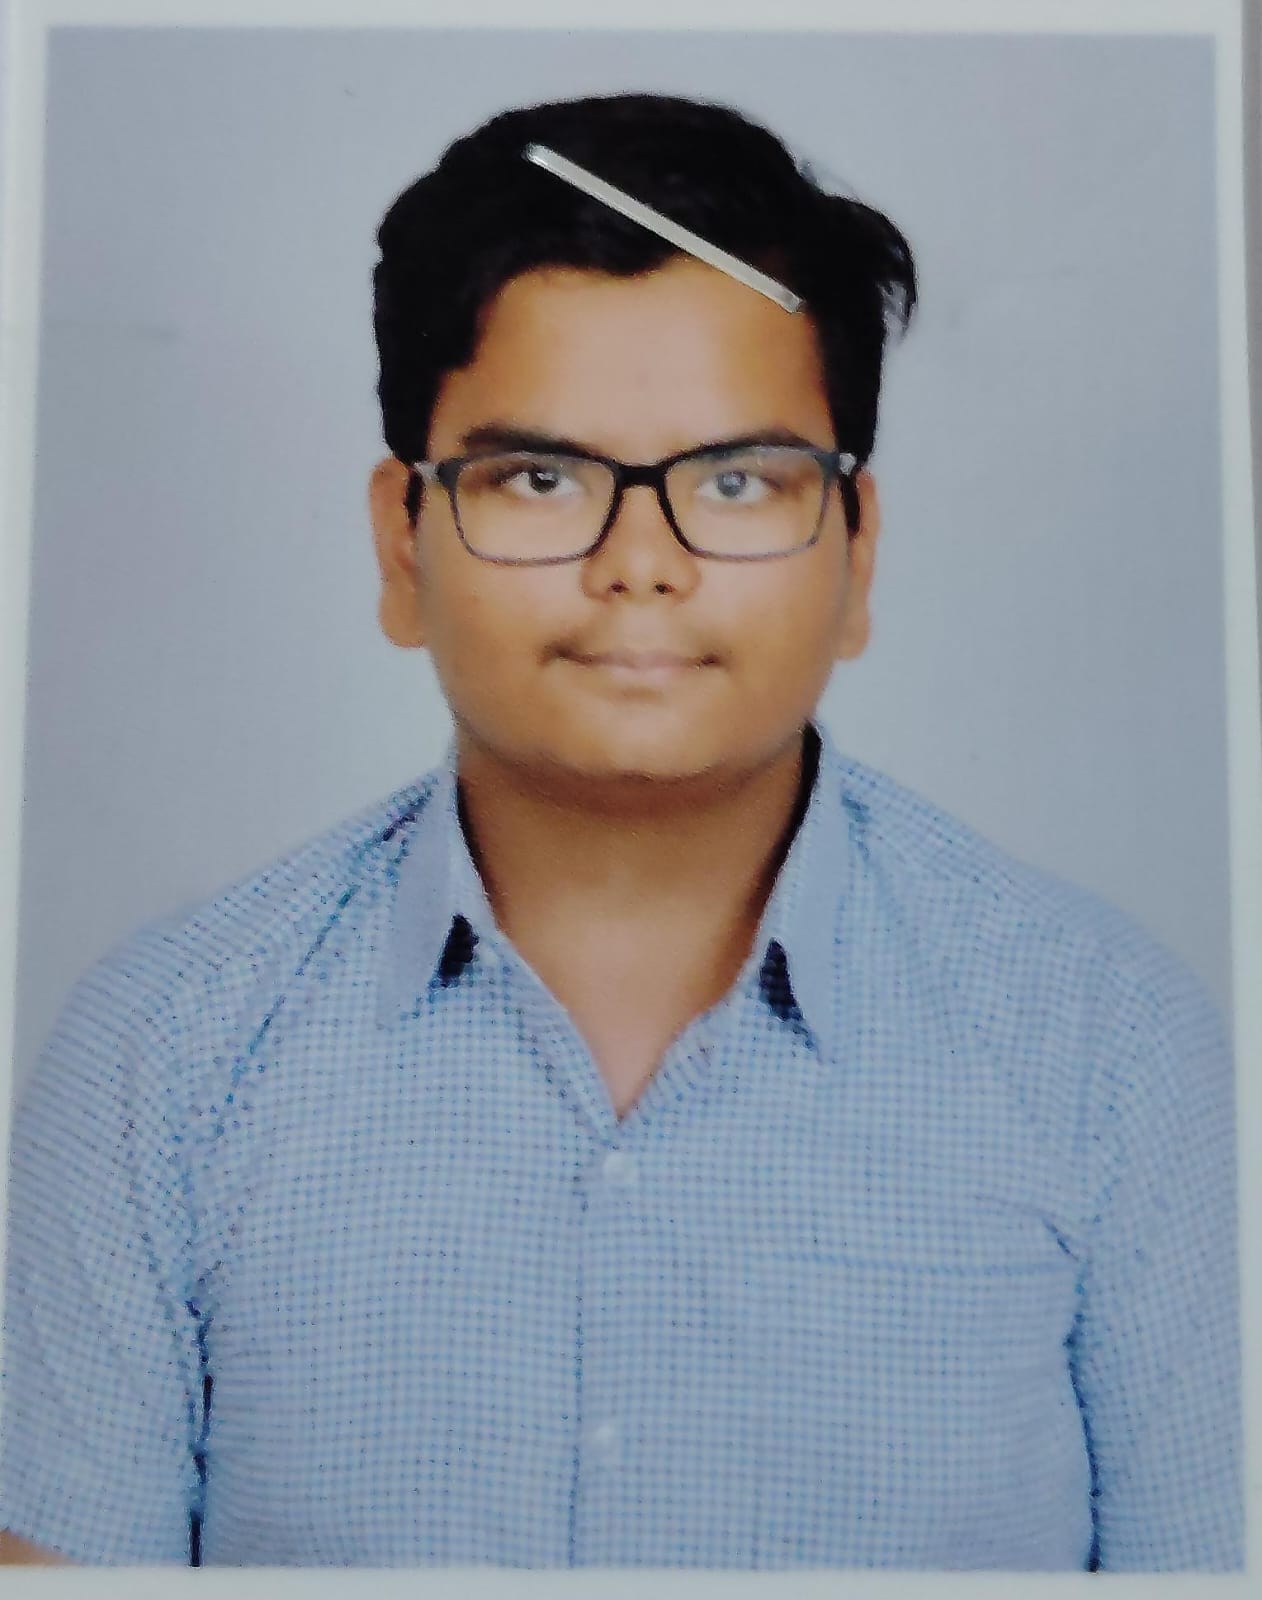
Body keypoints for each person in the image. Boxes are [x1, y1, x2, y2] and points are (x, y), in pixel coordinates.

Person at [0, 91, 1240, 1570]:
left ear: (856, 557)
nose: (639, 564)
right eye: (539, 478)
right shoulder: (162, 1056)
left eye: (737, 480)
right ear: (401, 542)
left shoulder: (1108, 1051)